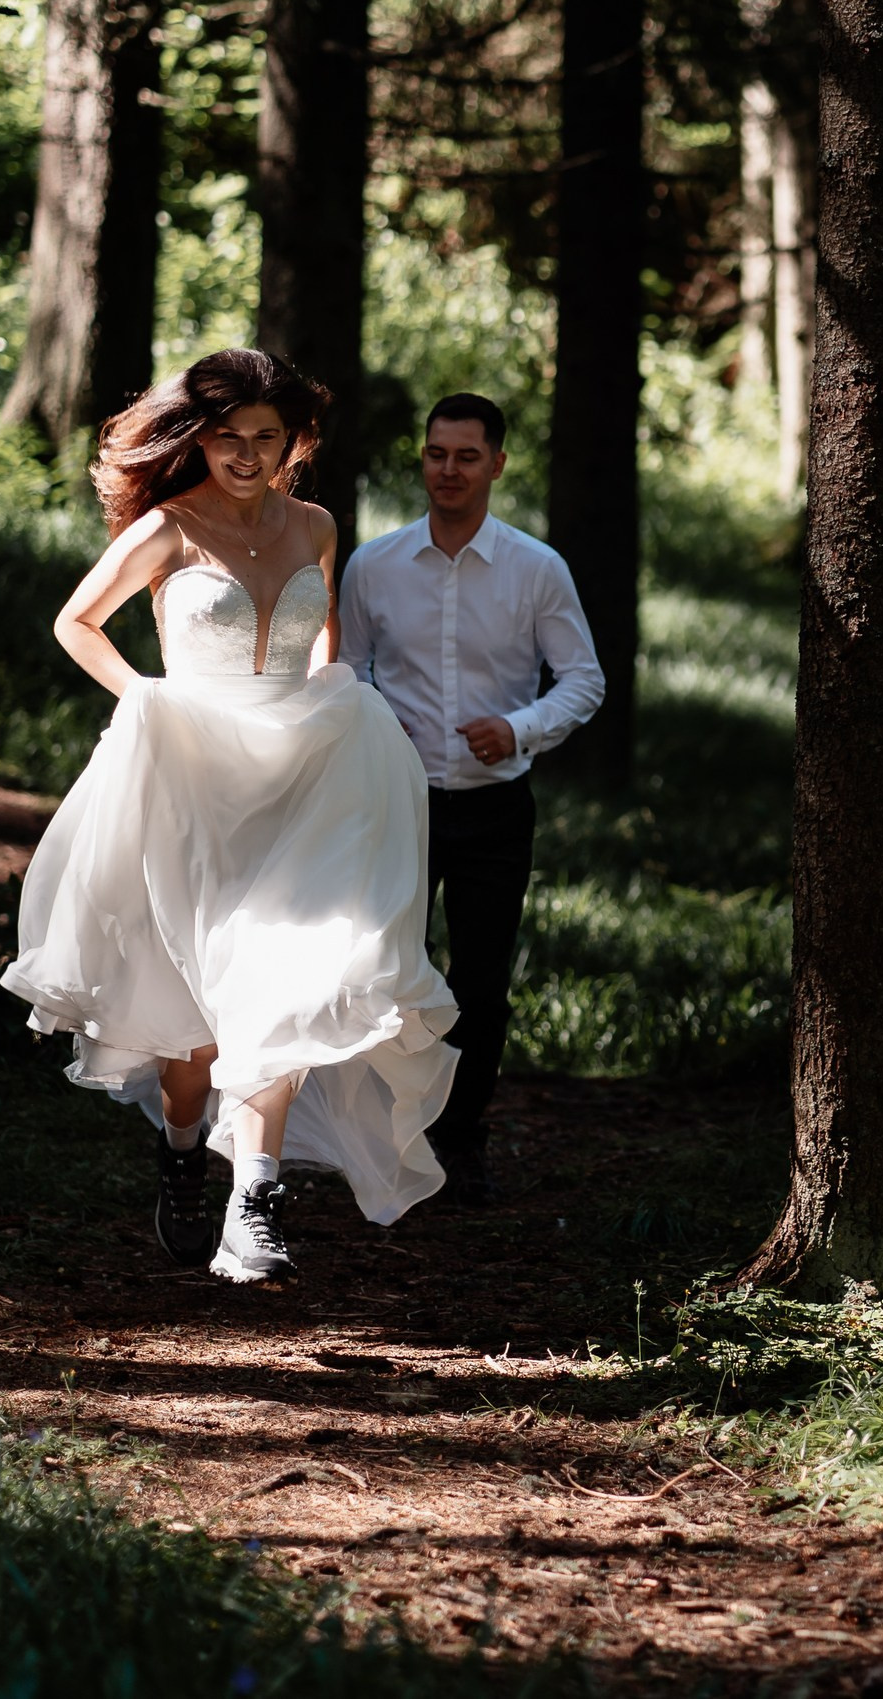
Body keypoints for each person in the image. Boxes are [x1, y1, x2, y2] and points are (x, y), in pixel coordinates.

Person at [0, 350, 459, 1282]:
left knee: (284, 984)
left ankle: (254, 1205)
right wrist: (144, 698)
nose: (246, 455)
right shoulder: (168, 530)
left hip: (301, 775)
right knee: (196, 1033)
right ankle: (179, 1153)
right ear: (198, 438)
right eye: (226, 437)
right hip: (194, 774)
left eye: (266, 438)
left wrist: (330, 690)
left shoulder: (318, 526)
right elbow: (75, 621)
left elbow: (322, 625)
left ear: (294, 442)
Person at [338, 394, 605, 1204]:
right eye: (434, 454)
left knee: (481, 988)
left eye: (464, 456)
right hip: (400, 804)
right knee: (389, 975)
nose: (446, 470)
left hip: (495, 807)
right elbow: (347, 677)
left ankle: (463, 1144)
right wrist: (378, 731)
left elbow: (584, 679)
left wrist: (519, 730)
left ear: (496, 463)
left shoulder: (537, 569)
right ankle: (389, 1139)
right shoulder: (373, 565)